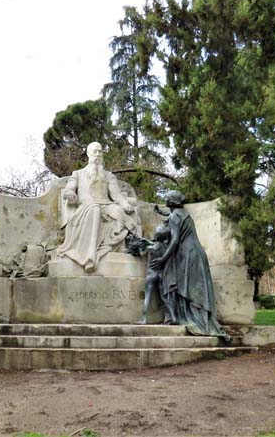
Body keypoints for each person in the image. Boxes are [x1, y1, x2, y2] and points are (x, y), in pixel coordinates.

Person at [150, 190, 229, 339]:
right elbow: (172, 218)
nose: (165, 200)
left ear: (171, 202)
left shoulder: (175, 216)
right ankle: (200, 319)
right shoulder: (182, 213)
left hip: (188, 255)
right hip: (197, 253)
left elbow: (174, 241)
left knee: (191, 289)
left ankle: (197, 321)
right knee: (193, 288)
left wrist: (163, 259)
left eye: (167, 198)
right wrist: (161, 212)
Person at [57, 142, 140, 272]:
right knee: (94, 208)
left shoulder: (108, 176)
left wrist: (124, 204)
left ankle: (113, 247)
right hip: (86, 206)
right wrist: (70, 194)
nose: (97, 154)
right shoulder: (78, 174)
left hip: (107, 204)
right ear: (88, 153)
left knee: (118, 211)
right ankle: (90, 256)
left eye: (100, 152)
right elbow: (70, 189)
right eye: (95, 151)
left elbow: (116, 194)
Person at [125, 225, 177, 324]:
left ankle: (144, 319)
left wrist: (138, 247)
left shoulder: (150, 248)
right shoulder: (166, 247)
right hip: (161, 275)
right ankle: (174, 317)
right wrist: (147, 241)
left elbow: (141, 253)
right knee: (164, 298)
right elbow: (157, 244)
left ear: (156, 236)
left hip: (151, 274)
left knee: (147, 296)